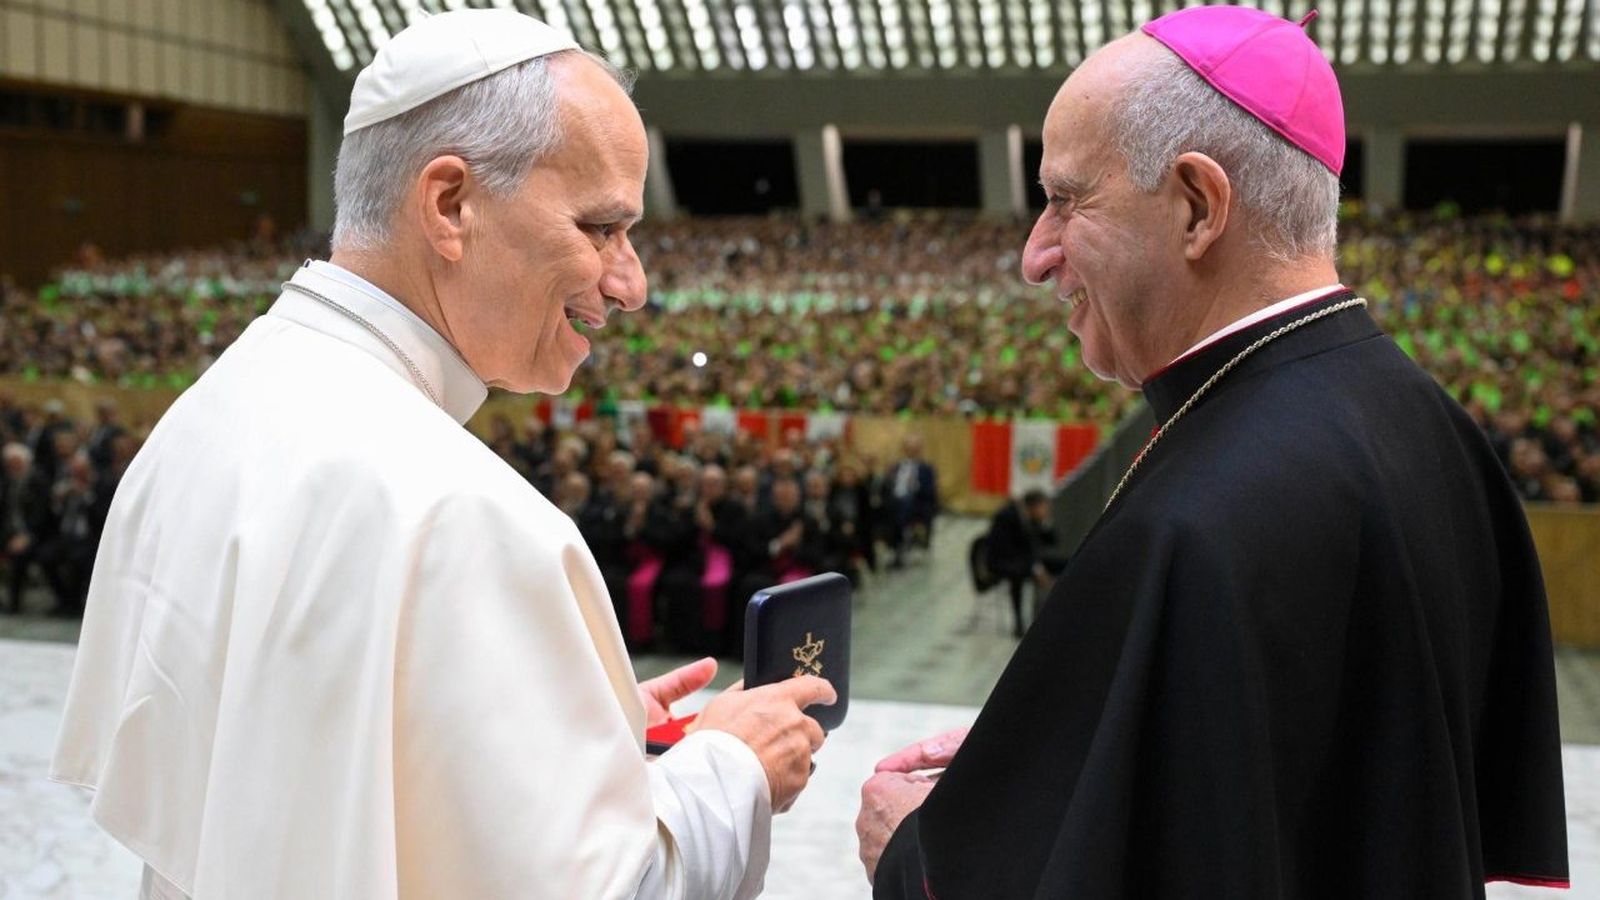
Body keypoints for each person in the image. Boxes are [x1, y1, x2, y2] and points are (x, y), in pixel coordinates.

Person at [53, 11, 833, 900]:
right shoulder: (459, 511)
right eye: (601, 228)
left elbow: (296, 773)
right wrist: (731, 765)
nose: (632, 282)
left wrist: (571, 733)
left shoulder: (216, 406)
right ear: (451, 205)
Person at [858, 7, 1568, 897]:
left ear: (1197, 206)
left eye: (1066, 199)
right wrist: (1070, 754)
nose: (1035, 256)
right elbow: (1317, 777)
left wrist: (914, 853)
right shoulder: (1433, 425)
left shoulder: (1203, 515)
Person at [984, 488, 1066, 637]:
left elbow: (1052, 541)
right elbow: (1007, 550)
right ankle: (1018, 623)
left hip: (1025, 559)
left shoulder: (1032, 519)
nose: (1046, 511)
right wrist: (1036, 569)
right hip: (1002, 561)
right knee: (1018, 575)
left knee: (1064, 563)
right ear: (1034, 506)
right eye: (1043, 508)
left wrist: (1045, 522)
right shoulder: (1007, 516)